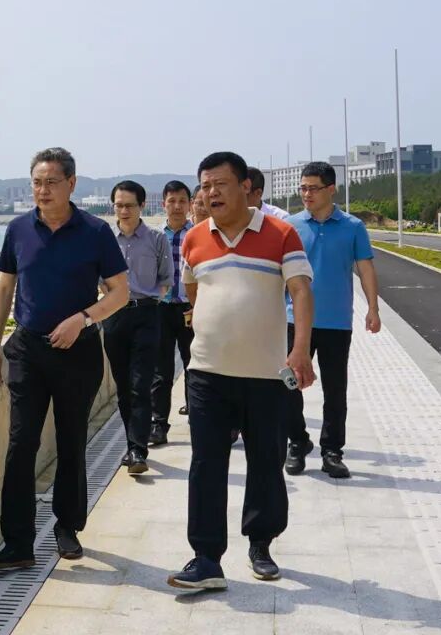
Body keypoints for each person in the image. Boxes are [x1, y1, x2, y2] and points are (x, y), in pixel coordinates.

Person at [168, 151, 315, 591]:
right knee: (205, 463)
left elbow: (300, 291)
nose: (211, 193)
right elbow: (192, 289)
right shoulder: (195, 238)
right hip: (206, 373)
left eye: (221, 184)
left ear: (245, 188)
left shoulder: (281, 233)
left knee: (266, 461)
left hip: (266, 375)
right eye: (205, 186)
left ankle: (261, 544)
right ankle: (206, 558)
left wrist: (300, 350)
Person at [0, 147, 129, 570]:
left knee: (71, 441)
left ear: (71, 184)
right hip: (28, 350)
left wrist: (82, 319)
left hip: (78, 352)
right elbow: (4, 289)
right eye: (36, 183)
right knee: (21, 443)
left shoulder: (95, 232)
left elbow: (120, 292)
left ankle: (67, 528)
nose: (42, 190)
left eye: (51, 182)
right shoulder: (18, 229)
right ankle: (17, 543)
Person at [283, 161, 381, 479]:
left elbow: (365, 268)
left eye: (313, 188)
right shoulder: (291, 226)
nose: (306, 194)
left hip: (336, 322)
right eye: (303, 188)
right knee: (288, 385)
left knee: (335, 390)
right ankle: (297, 441)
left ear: (331, 189)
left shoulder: (353, 227)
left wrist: (373, 308)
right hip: (295, 320)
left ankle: (332, 451)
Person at [103, 180, 171, 473]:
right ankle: (133, 444)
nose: (124, 211)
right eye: (119, 205)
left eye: (129, 205)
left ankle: (137, 450)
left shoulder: (156, 239)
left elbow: (166, 279)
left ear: (142, 206)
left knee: (140, 384)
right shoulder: (106, 240)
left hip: (146, 314)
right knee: (123, 387)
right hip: (114, 316)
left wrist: (152, 299)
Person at [151, 181, 194, 432]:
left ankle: (196, 419)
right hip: (161, 309)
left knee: (194, 367)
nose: (177, 206)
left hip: (191, 308)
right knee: (161, 370)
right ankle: (158, 424)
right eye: (172, 201)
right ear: (163, 204)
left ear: (190, 204)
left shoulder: (198, 234)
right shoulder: (155, 236)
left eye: (182, 201)